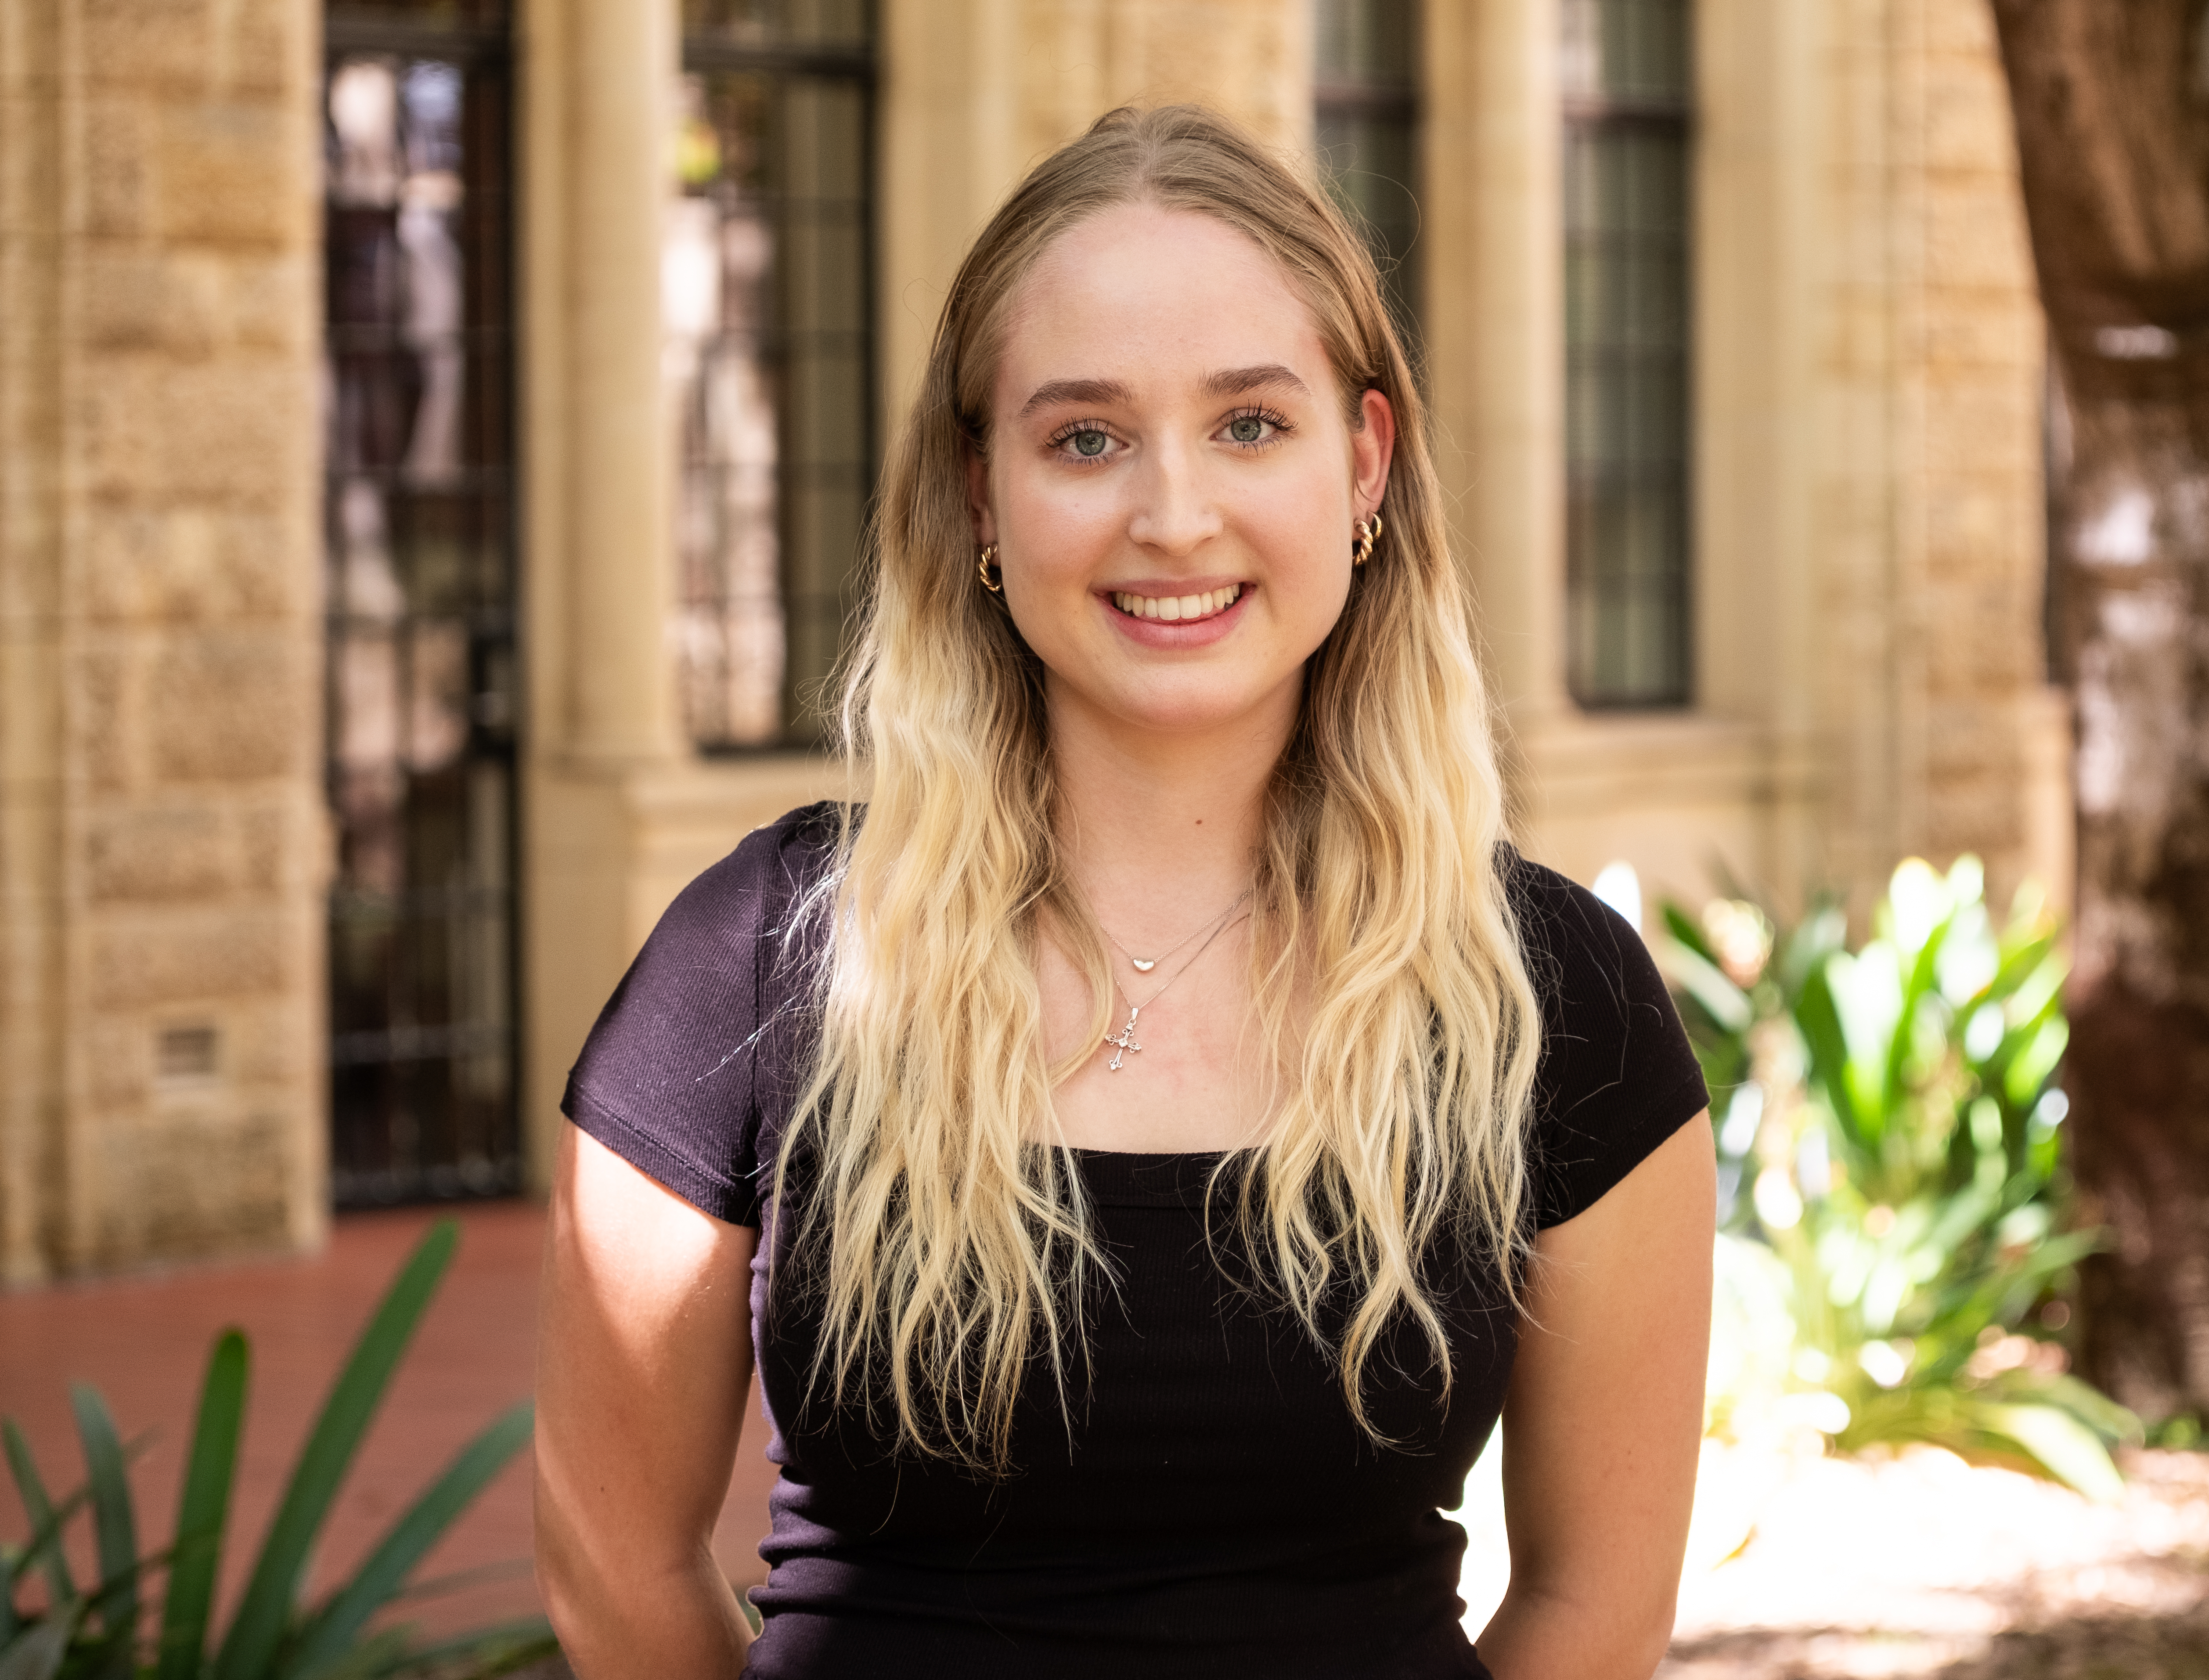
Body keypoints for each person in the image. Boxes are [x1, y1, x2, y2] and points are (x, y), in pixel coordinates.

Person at [534, 105, 1715, 1680]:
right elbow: (614, 1562)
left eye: (1248, 425)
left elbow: (1595, 1609)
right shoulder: (760, 960)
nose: (1172, 514)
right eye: (1085, 436)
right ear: (981, 498)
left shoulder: (1552, 1000)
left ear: (1363, 462)